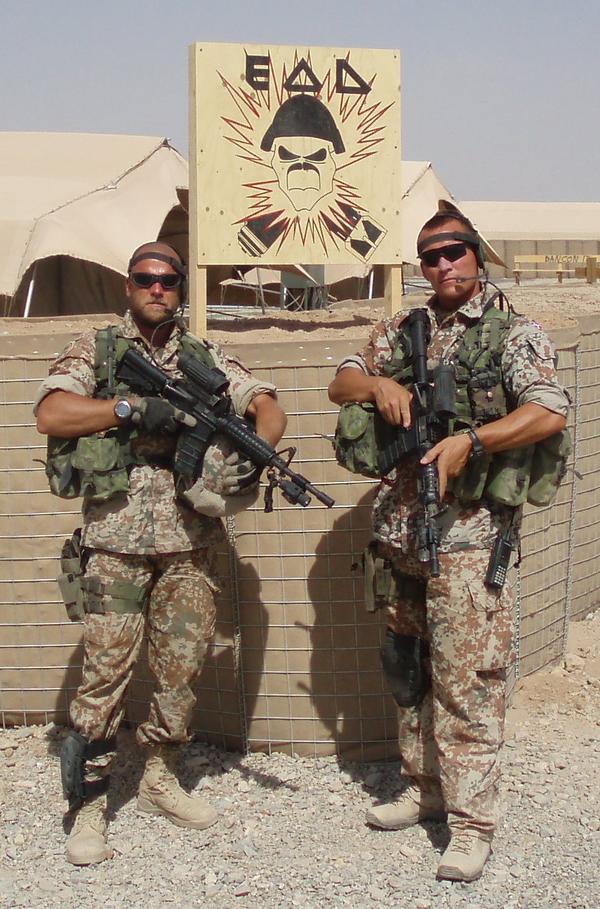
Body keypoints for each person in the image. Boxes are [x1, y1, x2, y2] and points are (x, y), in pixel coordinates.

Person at [328, 212, 569, 882]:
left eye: (454, 251)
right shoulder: (403, 329)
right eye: (431, 256)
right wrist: (377, 383)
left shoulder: (513, 332)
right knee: (409, 670)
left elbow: (549, 409)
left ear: (476, 254)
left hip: (469, 536)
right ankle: (424, 788)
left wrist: (474, 440)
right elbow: (341, 381)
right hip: (402, 531)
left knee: (468, 683)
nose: (444, 265)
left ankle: (471, 824)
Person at [34, 242, 287, 866]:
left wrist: (249, 451)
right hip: (114, 543)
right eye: (146, 278)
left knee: (182, 669)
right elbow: (51, 414)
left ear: (180, 288)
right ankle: (89, 804)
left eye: (169, 280)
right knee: (105, 672)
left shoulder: (202, 356)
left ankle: (159, 776)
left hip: (191, 545)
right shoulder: (97, 349)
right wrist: (127, 407)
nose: (157, 288)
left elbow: (265, 405)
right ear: (128, 286)